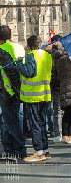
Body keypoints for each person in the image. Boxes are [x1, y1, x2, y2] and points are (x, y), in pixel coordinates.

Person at [17, 35, 52, 162]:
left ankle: (38, 152)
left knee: (35, 124)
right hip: (44, 94)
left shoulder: (31, 56)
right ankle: (45, 150)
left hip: (33, 95)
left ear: (29, 46)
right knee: (42, 123)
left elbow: (29, 72)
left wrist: (19, 63)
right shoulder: (47, 55)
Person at [0, 25, 26, 160]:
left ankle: (18, 150)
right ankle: (10, 149)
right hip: (13, 90)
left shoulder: (3, 50)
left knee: (11, 122)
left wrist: (14, 91)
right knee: (9, 121)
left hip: (8, 91)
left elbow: (11, 72)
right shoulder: (16, 47)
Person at [44, 35, 63, 143]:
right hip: (50, 83)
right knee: (51, 109)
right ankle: (53, 130)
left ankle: (57, 131)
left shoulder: (61, 52)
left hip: (57, 83)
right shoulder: (48, 53)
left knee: (57, 110)